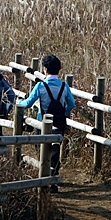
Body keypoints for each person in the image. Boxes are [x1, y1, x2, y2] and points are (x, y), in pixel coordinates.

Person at [17, 54, 75, 191]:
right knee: (55, 151)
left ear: (45, 69)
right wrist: (63, 113)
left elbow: (28, 103)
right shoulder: (64, 86)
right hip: (58, 123)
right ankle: (53, 180)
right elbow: (72, 104)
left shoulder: (40, 86)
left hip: (41, 123)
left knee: (42, 150)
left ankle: (44, 178)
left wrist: (19, 103)